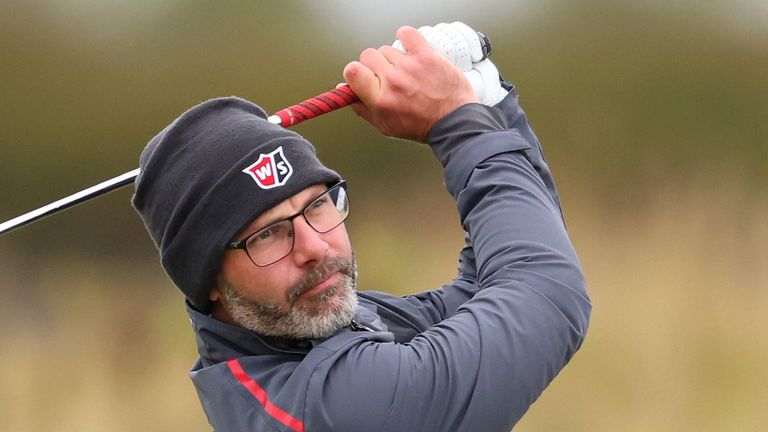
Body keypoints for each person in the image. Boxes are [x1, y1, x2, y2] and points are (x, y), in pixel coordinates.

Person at [133, 24, 591, 432]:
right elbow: (547, 289)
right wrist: (459, 124)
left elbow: (497, 274)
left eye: (317, 205)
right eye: (267, 234)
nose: (312, 246)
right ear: (208, 277)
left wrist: (487, 106)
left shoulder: (299, 337)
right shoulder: (328, 407)